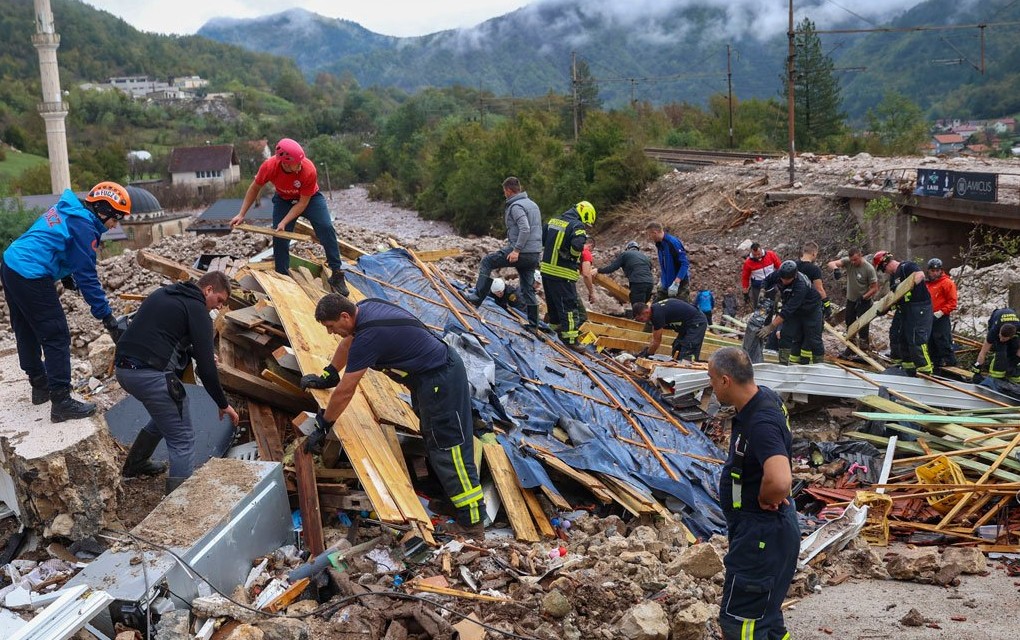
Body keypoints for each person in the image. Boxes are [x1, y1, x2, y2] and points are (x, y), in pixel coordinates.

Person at [302, 294, 485, 537]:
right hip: (430, 377)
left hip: (441, 378)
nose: (330, 333)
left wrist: (323, 425)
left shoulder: (370, 335)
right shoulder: (364, 309)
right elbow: (348, 342)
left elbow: (346, 390)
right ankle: (453, 502)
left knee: (449, 447)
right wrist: (330, 374)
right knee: (434, 439)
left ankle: (472, 523)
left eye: (331, 327)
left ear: (344, 316)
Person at [1, 181, 131, 422]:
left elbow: (54, 243)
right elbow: (88, 277)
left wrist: (66, 275)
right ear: (103, 210)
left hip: (11, 263)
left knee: (26, 329)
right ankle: (61, 402)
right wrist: (108, 319)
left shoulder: (69, 210)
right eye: (116, 218)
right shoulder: (84, 226)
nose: (115, 224)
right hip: (31, 273)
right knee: (57, 334)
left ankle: (40, 386)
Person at [115, 271, 240, 493]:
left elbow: (161, 334)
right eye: (219, 300)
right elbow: (207, 370)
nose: (218, 307)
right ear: (208, 289)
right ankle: (178, 503)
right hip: (150, 375)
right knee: (182, 440)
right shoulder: (198, 310)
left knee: (168, 413)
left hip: (124, 371)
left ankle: (136, 464)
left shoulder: (163, 293)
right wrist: (223, 404)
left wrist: (195, 350)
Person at [708, 347, 799, 640]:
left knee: (741, 623)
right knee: (768, 621)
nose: (711, 387)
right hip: (766, 533)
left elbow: (781, 479)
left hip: (761, 535)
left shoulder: (761, 421)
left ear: (725, 381)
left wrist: (765, 497)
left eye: (711, 380)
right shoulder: (763, 398)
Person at [230, 138, 348, 296]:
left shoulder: (308, 169)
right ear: (285, 163)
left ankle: (337, 272)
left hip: (310, 199)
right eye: (296, 164)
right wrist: (241, 213)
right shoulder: (269, 166)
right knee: (279, 237)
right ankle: (282, 276)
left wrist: (284, 221)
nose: (300, 166)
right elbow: (254, 188)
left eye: (300, 162)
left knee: (326, 227)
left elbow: (302, 204)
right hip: (283, 200)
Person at [466, 177, 542, 329]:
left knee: (487, 261)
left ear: (508, 190)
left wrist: (516, 250)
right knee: (527, 288)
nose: (504, 194)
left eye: (504, 191)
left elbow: (525, 228)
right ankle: (534, 324)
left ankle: (477, 296)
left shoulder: (516, 206)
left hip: (521, 250)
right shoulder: (533, 205)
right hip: (534, 253)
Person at [540, 201, 595, 348]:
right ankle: (570, 340)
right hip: (563, 273)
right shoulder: (577, 226)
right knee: (568, 307)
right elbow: (577, 246)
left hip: (546, 271)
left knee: (553, 305)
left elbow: (543, 239)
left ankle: (554, 331)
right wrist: (571, 255)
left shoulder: (553, 221)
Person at [873, 251, 933, 376]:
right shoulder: (893, 277)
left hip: (919, 307)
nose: (885, 272)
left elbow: (920, 275)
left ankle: (925, 370)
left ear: (886, 263)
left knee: (917, 339)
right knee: (902, 338)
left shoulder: (907, 266)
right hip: (906, 310)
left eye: (883, 269)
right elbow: (895, 298)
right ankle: (908, 368)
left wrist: (904, 288)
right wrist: (884, 310)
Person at [757, 260, 823, 365]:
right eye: (782, 278)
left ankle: (819, 366)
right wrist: (762, 290)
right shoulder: (780, 273)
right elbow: (767, 280)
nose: (784, 281)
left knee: (814, 339)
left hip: (811, 310)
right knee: (785, 335)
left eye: (787, 279)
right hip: (795, 311)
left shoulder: (800, 286)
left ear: (794, 276)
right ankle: (783, 364)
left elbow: (786, 311)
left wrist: (771, 327)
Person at [826, 247, 878, 355]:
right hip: (851, 300)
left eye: (855, 260)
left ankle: (864, 349)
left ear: (860, 255)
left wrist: (864, 297)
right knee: (850, 323)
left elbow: (874, 288)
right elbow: (831, 263)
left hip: (864, 301)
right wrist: (836, 269)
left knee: (863, 326)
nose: (853, 262)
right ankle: (851, 347)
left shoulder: (868, 269)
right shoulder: (848, 262)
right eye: (852, 260)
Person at [632, 300, 708, 361]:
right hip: (687, 323)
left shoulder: (657, 314)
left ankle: (686, 372)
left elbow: (656, 342)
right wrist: (645, 352)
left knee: (688, 350)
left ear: (646, 312)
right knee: (677, 348)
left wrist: (646, 356)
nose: (643, 322)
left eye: (641, 319)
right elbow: (654, 337)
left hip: (697, 322)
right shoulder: (655, 310)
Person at [973, 308, 1020, 391]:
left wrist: (1014, 361)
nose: (1001, 339)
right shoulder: (994, 331)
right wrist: (977, 368)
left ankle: (1015, 381)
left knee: (1014, 350)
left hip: (1012, 330)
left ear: (1011, 336)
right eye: (1000, 336)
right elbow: (983, 352)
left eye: (1004, 338)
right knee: (1001, 354)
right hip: (995, 320)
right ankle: (996, 380)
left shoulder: (1018, 328)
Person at [596, 240, 655, 305]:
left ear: (628, 248)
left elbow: (612, 268)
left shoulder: (625, 254)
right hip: (650, 283)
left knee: (637, 308)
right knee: (643, 307)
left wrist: (598, 270)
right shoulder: (645, 257)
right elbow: (649, 268)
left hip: (638, 283)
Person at [925, 258, 958, 369]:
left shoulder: (947, 283)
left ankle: (951, 366)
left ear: (940, 271)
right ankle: (936, 367)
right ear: (928, 271)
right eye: (932, 271)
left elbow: (952, 302)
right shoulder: (927, 284)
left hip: (941, 318)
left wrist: (941, 312)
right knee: (931, 344)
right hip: (929, 318)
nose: (935, 273)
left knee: (943, 343)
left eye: (937, 271)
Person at [645, 221, 690, 302]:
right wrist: (662, 281)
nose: (649, 237)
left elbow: (684, 264)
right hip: (666, 285)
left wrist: (676, 283)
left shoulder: (672, 243)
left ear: (654, 233)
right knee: (656, 308)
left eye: (649, 235)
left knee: (681, 311)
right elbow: (665, 265)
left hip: (679, 285)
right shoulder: (660, 245)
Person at [797, 241, 830, 321]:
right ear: (814, 253)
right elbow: (819, 289)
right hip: (809, 305)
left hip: (794, 305)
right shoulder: (814, 269)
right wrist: (827, 305)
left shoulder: (793, 265)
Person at [741, 243, 781, 309]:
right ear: (751, 253)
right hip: (758, 288)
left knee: (776, 305)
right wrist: (745, 293)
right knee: (759, 308)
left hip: (772, 284)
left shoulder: (771, 255)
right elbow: (745, 277)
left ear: (761, 250)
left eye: (758, 254)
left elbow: (779, 267)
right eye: (754, 255)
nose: (757, 256)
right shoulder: (748, 262)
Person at [576, 238, 596, 326]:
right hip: (567, 284)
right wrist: (591, 293)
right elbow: (586, 274)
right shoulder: (586, 252)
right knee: (582, 316)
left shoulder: (574, 249)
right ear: (590, 245)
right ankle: (570, 337)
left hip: (554, 280)